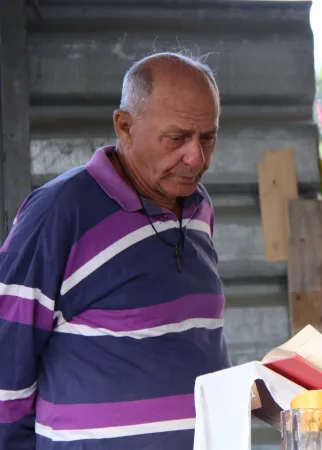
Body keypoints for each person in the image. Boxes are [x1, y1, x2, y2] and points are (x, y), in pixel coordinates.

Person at [0, 52, 231, 449]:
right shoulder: (59, 212)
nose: (196, 158)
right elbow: (5, 358)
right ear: (124, 127)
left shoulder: (198, 207)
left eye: (207, 137)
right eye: (177, 138)